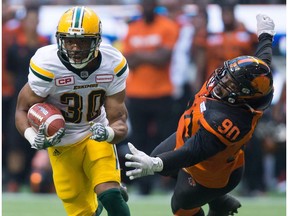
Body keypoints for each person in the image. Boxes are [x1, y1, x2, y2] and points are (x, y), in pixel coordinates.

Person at [125, 14, 275, 216]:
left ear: (244, 96)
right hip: (190, 135)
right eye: (227, 76)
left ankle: (217, 204)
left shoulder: (230, 121)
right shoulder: (248, 89)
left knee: (179, 207)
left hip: (211, 174)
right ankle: (218, 201)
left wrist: (156, 164)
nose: (223, 81)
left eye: (231, 84)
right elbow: (261, 64)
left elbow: (192, 153)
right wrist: (266, 35)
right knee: (160, 164)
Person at [15, 6, 130, 216]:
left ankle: (109, 191)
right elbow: (22, 110)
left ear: (97, 41)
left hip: (95, 133)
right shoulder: (47, 65)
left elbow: (119, 120)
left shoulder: (112, 64)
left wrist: (109, 133)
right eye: (69, 41)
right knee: (84, 212)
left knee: (110, 195)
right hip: (61, 143)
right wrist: (33, 137)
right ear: (60, 40)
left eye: (83, 41)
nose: (75, 48)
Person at [122, 0, 179, 195]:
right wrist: (151, 55)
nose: (146, 6)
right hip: (137, 94)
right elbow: (128, 59)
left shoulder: (167, 26)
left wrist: (140, 56)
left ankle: (169, 182)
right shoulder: (133, 28)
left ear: (155, 4)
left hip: (162, 92)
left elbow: (164, 58)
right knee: (138, 140)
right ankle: (143, 185)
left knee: (165, 139)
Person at [193, 2, 258, 92]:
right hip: (214, 86)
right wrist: (198, 87)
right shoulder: (209, 36)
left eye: (229, 12)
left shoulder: (248, 36)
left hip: (240, 86)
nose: (226, 16)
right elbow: (201, 65)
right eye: (224, 12)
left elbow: (255, 63)